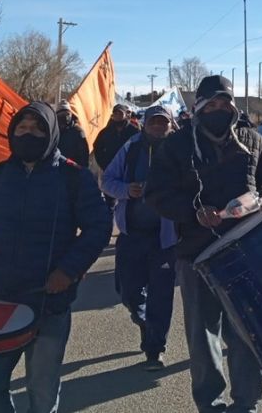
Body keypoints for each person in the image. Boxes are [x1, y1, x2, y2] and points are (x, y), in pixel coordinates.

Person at [0, 101, 113, 413]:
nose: (28, 133)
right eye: (21, 127)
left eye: (37, 128)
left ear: (51, 134)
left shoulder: (75, 178)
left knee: (42, 389)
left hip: (49, 301)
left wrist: (69, 270)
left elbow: (98, 228)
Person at [147, 75, 262, 413]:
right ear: (199, 107)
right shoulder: (175, 146)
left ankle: (247, 403)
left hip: (247, 251)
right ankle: (210, 404)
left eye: (225, 104)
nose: (219, 110)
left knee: (246, 331)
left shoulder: (252, 140)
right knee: (203, 336)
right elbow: (157, 194)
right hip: (196, 254)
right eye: (212, 105)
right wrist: (194, 213)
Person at [100, 104, 178, 371]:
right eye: (153, 122)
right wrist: (125, 190)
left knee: (161, 296)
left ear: (170, 125)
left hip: (166, 239)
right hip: (132, 235)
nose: (158, 126)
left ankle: (155, 349)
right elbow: (106, 180)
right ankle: (143, 318)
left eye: (163, 122)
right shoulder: (131, 148)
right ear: (144, 123)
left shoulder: (182, 150)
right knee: (127, 292)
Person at [94, 104, 140, 172]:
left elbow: (140, 148)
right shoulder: (105, 132)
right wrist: (104, 165)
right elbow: (97, 147)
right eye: (115, 114)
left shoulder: (134, 131)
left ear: (125, 114)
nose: (118, 116)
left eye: (120, 113)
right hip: (110, 169)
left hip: (129, 169)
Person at [55, 100, 91, 168]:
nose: (65, 117)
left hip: (73, 170)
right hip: (55, 170)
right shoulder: (53, 131)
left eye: (67, 114)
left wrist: (82, 171)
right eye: (61, 114)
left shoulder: (78, 132)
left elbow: (84, 156)